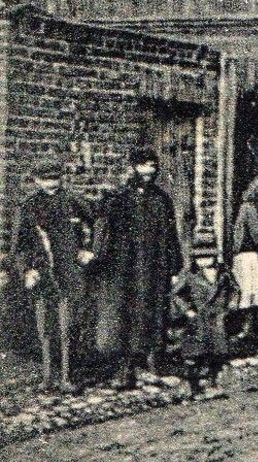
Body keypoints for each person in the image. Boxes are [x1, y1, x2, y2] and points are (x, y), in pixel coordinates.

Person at [4, 160, 97, 392]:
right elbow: (20, 245)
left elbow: (97, 225)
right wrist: (27, 270)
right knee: (45, 328)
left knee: (68, 327)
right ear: (37, 180)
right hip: (42, 273)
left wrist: (88, 250)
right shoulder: (29, 206)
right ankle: (47, 377)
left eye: (55, 177)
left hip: (69, 272)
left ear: (61, 178)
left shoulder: (74, 201)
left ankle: (67, 377)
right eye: (45, 178)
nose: (50, 182)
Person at [96, 149, 184, 390]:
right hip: (127, 269)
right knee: (125, 317)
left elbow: (171, 235)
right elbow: (105, 230)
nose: (149, 171)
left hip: (155, 267)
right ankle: (125, 370)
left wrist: (174, 265)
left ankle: (154, 366)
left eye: (153, 166)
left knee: (155, 315)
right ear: (134, 167)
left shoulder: (161, 199)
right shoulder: (120, 198)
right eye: (144, 165)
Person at [170, 248, 239, 395]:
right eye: (199, 258)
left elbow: (235, 289)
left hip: (218, 317)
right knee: (196, 354)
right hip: (198, 319)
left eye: (208, 257)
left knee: (217, 352)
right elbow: (176, 294)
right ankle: (195, 386)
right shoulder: (189, 274)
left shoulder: (223, 272)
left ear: (214, 257)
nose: (204, 261)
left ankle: (213, 382)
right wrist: (187, 310)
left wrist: (232, 304)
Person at [230, 176, 258, 350]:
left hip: (251, 257)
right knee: (248, 293)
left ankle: (254, 333)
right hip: (247, 257)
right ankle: (247, 331)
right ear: (256, 193)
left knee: (254, 295)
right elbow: (257, 237)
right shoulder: (249, 209)